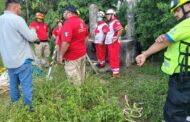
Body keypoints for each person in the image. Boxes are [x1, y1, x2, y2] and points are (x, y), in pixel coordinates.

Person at [136, 0, 190, 121]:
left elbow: (165, 40)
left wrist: (145, 54)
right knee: (186, 110)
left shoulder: (187, 23)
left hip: (183, 78)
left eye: (177, 10)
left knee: (174, 112)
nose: (175, 14)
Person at [0, 0, 38, 110]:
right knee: (26, 85)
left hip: (8, 60)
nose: (21, 10)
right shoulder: (17, 19)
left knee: (13, 85)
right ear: (15, 7)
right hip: (21, 59)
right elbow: (31, 38)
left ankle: (16, 107)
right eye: (20, 8)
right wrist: (33, 30)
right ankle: (29, 109)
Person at [58, 5, 89, 86]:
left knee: (74, 80)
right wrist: (82, 47)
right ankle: (82, 91)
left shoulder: (68, 23)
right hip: (82, 53)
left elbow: (66, 42)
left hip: (72, 57)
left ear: (68, 13)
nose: (63, 15)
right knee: (81, 74)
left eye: (64, 12)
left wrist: (61, 55)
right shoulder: (81, 22)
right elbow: (86, 36)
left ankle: (77, 95)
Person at [105, 9, 123, 78]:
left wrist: (116, 37)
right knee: (111, 57)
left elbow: (120, 29)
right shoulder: (111, 22)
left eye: (108, 14)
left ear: (113, 15)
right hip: (110, 43)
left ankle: (116, 74)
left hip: (114, 43)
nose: (107, 16)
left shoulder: (115, 21)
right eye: (107, 15)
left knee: (114, 57)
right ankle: (113, 70)